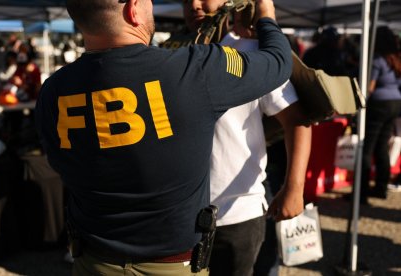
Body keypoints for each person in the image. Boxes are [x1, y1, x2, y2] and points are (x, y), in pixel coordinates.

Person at [34, 0, 293, 275]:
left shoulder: (53, 91)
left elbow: (59, 162)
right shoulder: (195, 69)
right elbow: (278, 61)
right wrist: (266, 14)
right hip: (173, 266)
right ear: (133, 9)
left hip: (92, 263)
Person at [182, 1, 311, 275]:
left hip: (236, 213)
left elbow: (297, 121)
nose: (194, 4)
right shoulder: (173, 56)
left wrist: (294, 187)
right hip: (178, 218)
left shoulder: (251, 53)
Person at [360, 26, 401, 203]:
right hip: (395, 104)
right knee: (382, 147)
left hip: (379, 105)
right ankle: (381, 187)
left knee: (367, 148)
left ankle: (360, 193)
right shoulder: (395, 59)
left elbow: (369, 87)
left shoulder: (377, 59)